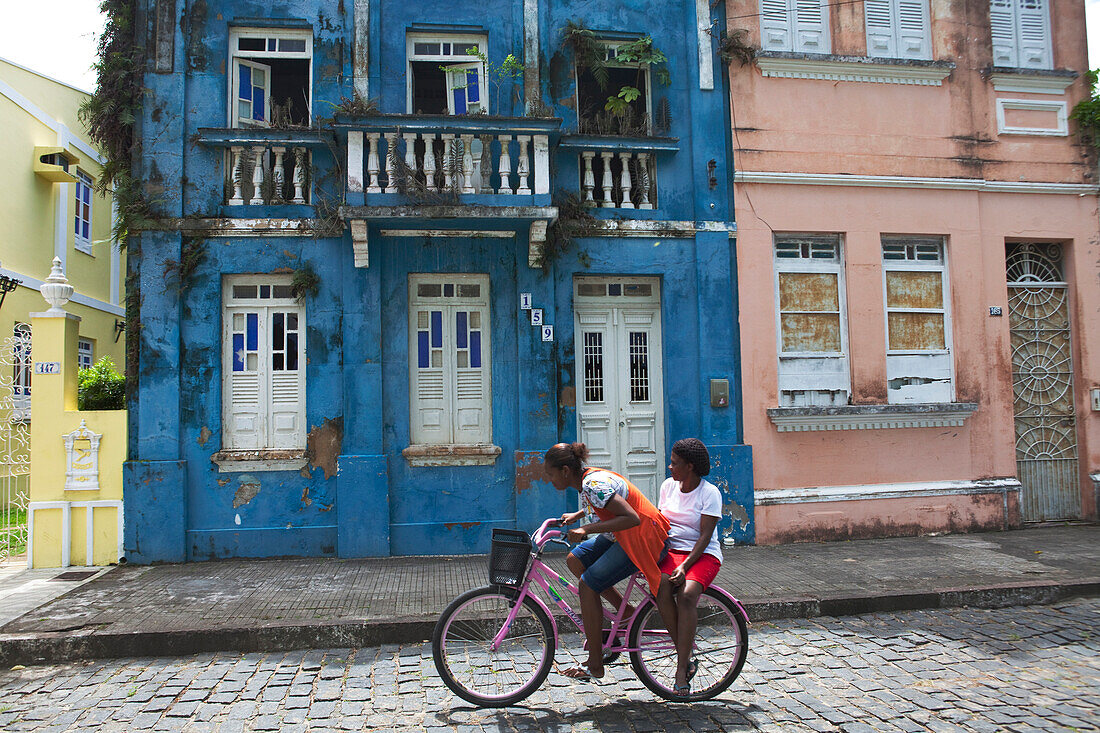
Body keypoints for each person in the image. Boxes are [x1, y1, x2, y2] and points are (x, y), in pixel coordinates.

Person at [544, 442, 671, 681]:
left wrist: (586, 528)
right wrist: (578, 516)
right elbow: (604, 502)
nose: (549, 480)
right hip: (621, 535)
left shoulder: (592, 484)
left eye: (550, 474)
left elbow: (630, 517)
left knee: (588, 585)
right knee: (575, 560)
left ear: (564, 471)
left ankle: (595, 663)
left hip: (643, 537)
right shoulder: (587, 481)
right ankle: (626, 615)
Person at [655, 438, 723, 696]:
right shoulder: (668, 487)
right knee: (658, 585)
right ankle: (686, 650)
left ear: (690, 466)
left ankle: (681, 667)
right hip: (672, 551)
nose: (670, 467)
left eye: (675, 463)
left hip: (702, 554)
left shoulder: (709, 493)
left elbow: (705, 536)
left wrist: (684, 566)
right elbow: (661, 524)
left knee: (686, 595)